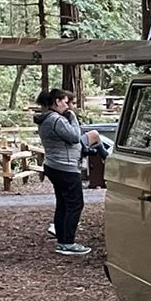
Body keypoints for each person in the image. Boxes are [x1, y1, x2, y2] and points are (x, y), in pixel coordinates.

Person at [34, 88, 100, 256]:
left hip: (54, 165)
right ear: (57, 102)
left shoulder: (46, 118)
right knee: (75, 204)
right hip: (65, 167)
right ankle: (67, 242)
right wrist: (72, 116)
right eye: (66, 102)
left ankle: (62, 240)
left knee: (63, 203)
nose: (69, 105)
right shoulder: (56, 119)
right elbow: (74, 136)